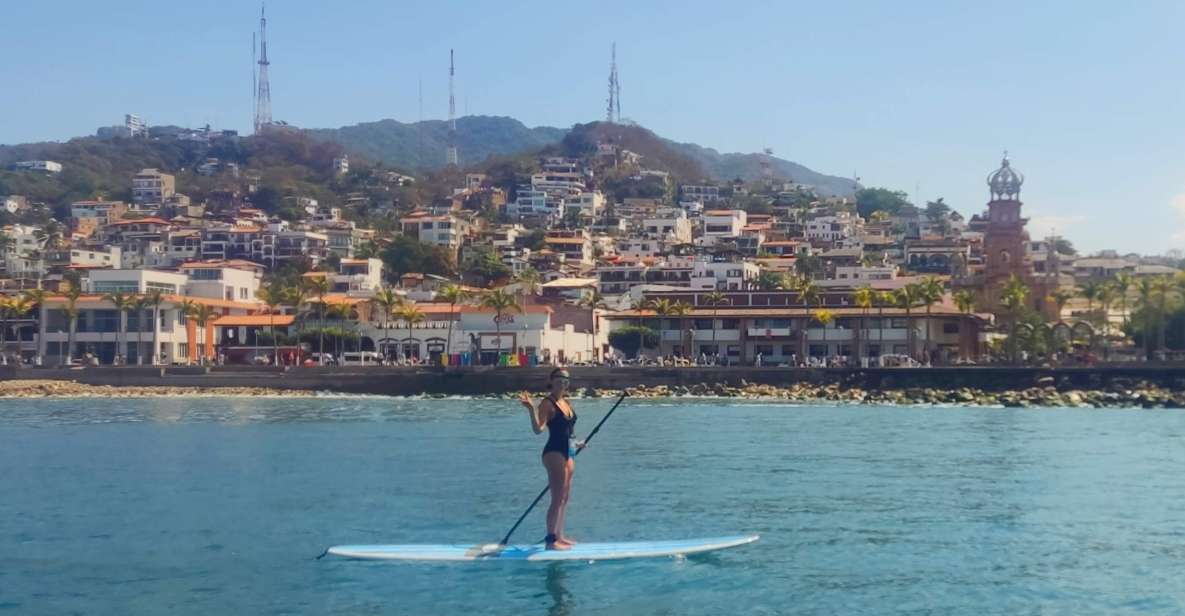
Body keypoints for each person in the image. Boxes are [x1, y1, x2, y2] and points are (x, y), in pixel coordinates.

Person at [519, 368, 582, 550]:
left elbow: (568, 431)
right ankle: (550, 541)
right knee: (556, 498)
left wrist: (577, 443)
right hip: (554, 453)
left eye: (566, 380)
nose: (563, 383)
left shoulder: (566, 402)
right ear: (552, 381)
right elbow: (538, 429)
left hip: (568, 452)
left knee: (565, 498)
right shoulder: (547, 403)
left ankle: (559, 535)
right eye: (560, 379)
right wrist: (531, 409)